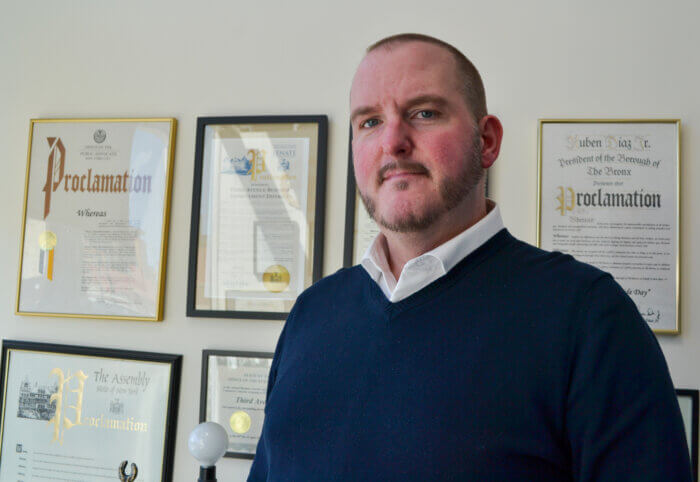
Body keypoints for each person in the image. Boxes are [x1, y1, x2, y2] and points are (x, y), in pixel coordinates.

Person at [248, 33, 692, 481]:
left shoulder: (589, 317)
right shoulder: (311, 313)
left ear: (488, 141)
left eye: (424, 113)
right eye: (369, 122)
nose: (393, 141)